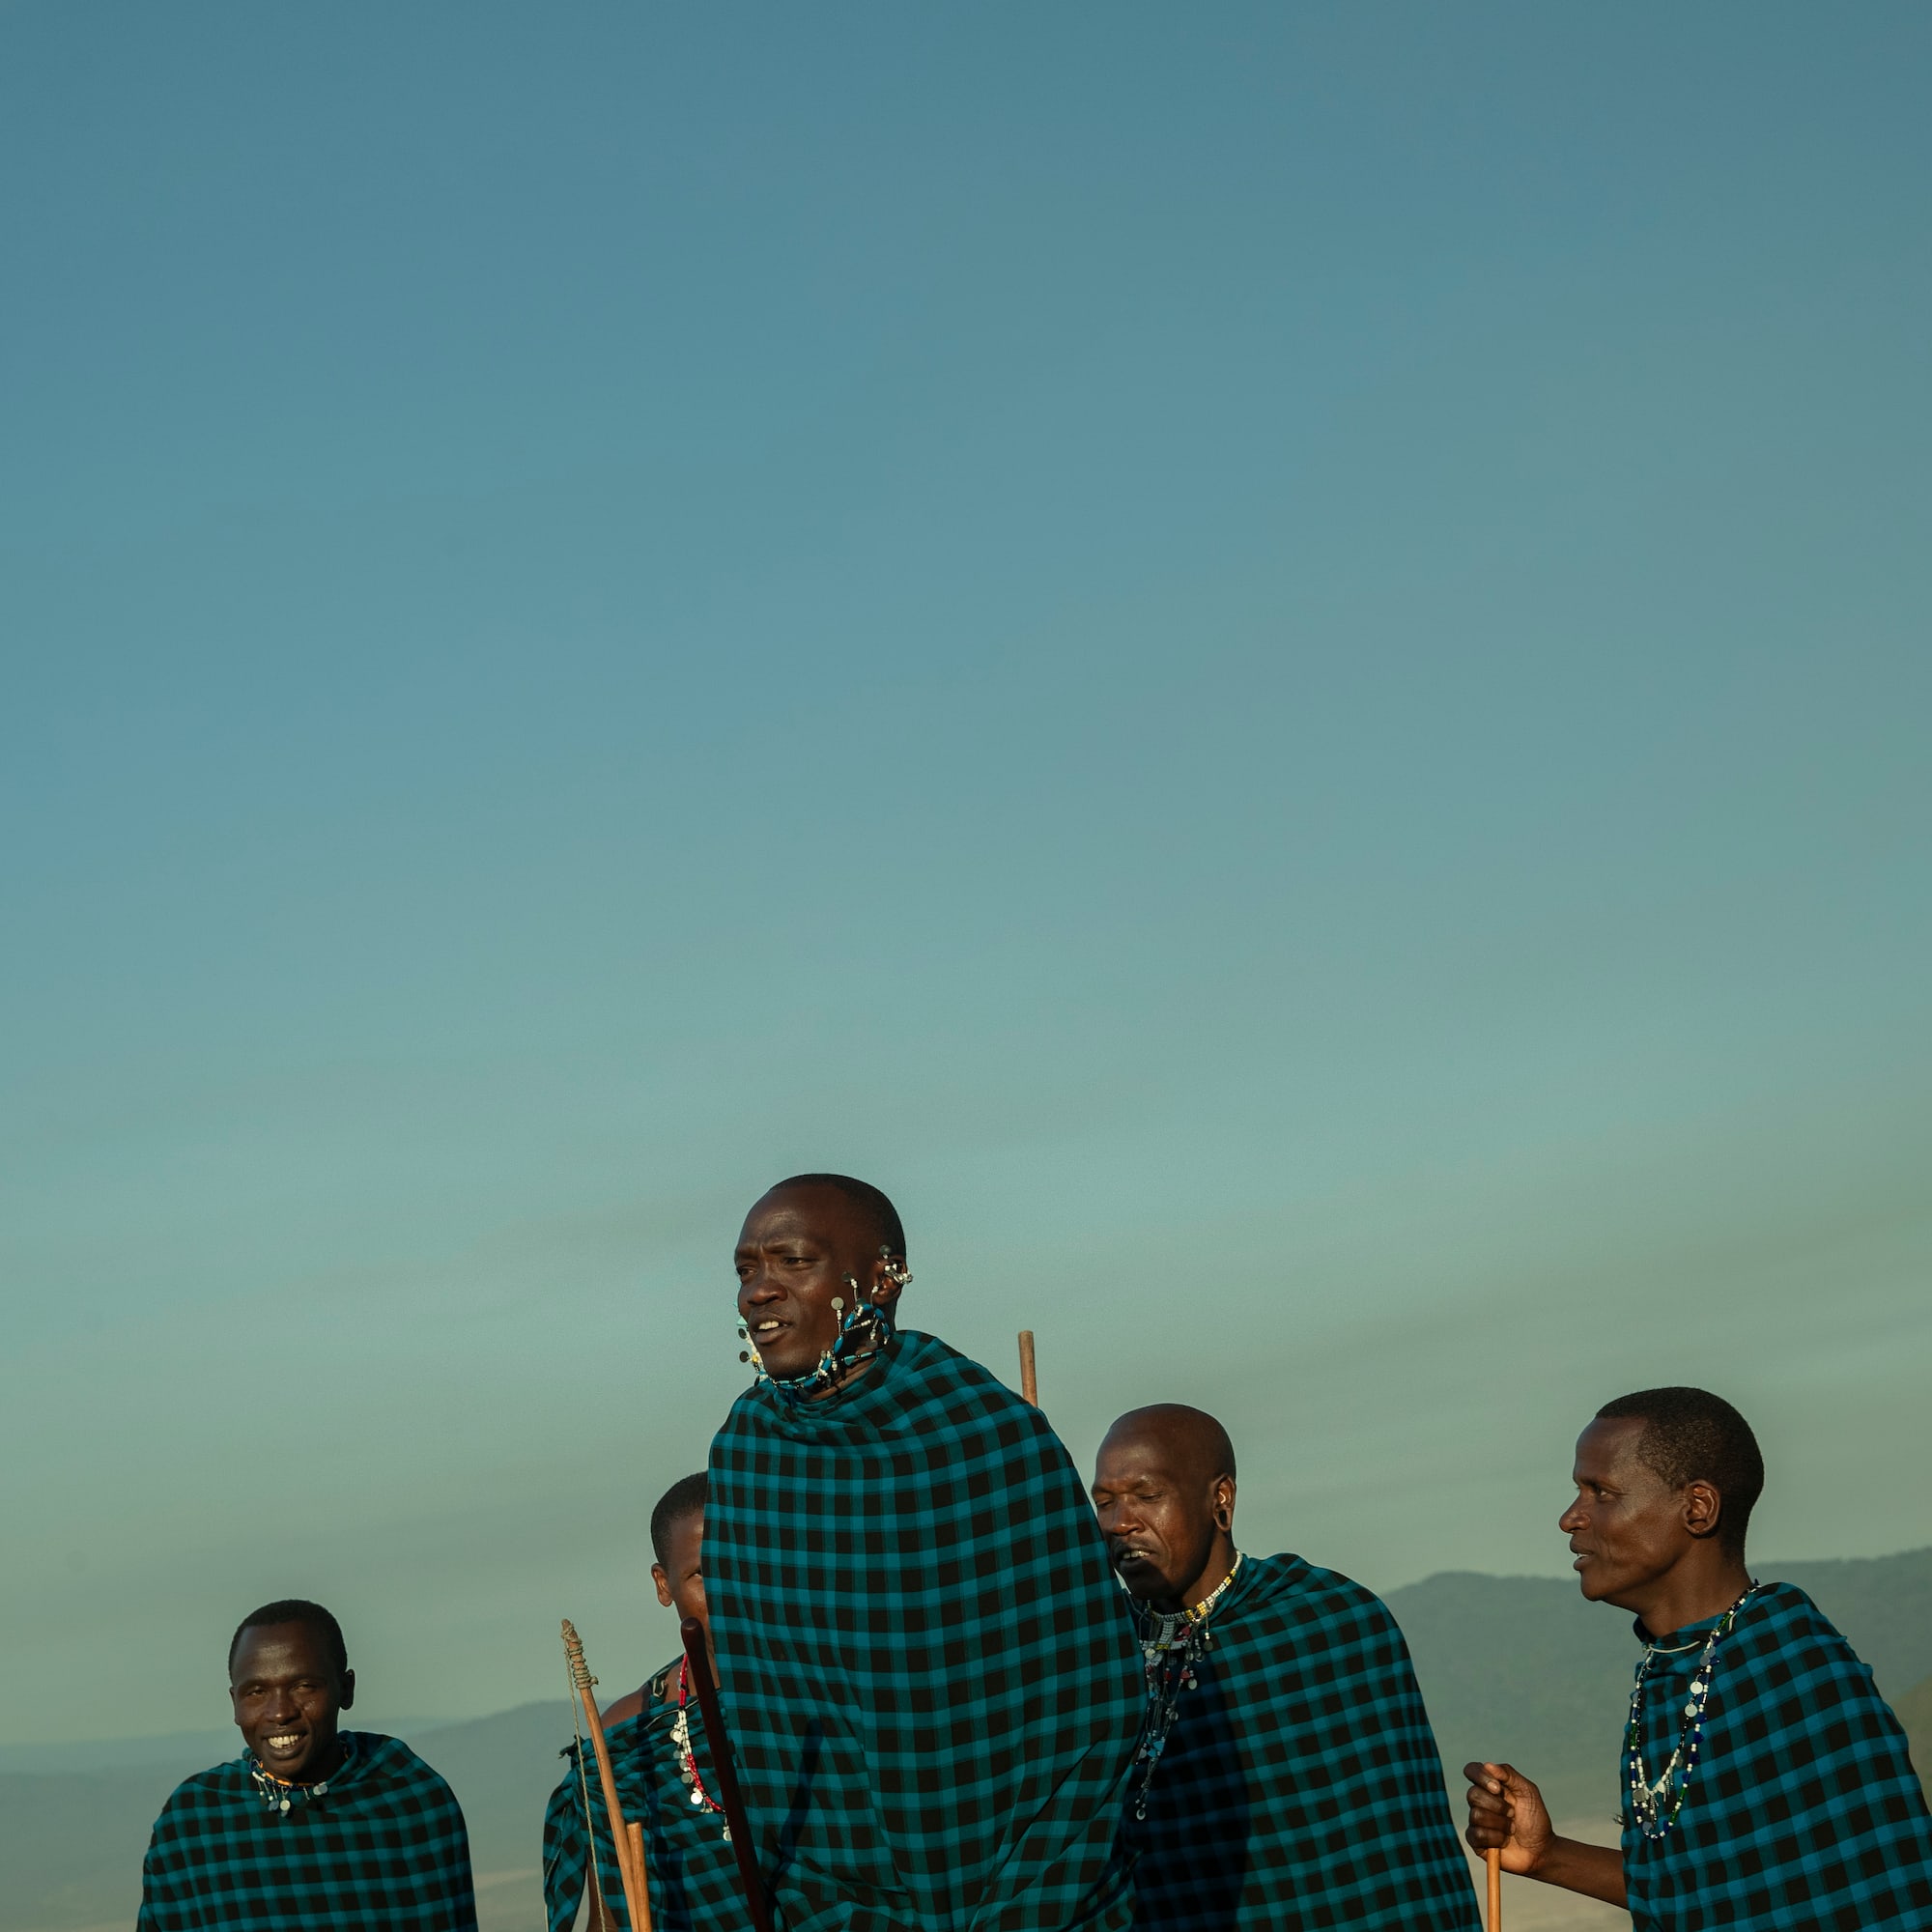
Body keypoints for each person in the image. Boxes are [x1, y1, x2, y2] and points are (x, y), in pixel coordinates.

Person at [706, 1173, 1144, 1932]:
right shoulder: (749, 1458)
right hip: (839, 1906)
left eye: (793, 1262)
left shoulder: (986, 1437)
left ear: (881, 1278)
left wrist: (1023, 1911)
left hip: (1033, 1893)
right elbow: (770, 1731)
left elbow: (1090, 1704)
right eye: (747, 1270)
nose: (758, 1292)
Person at [1464, 1385, 1932, 1929]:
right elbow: (1702, 1892)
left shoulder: (1783, 1667)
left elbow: (1879, 1890)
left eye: (1601, 1493)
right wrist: (1547, 1855)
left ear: (1697, 1508)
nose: (1571, 1518)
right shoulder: (1672, 1669)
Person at [1091, 1404, 1480, 1931]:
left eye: (1147, 1496)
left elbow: (1394, 1854)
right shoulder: (1097, 1649)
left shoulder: (1325, 1622)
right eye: (1105, 1503)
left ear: (1220, 1499)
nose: (1120, 1523)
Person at [138, 1598, 476, 1931]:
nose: (280, 1712)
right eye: (256, 1692)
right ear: (235, 1703)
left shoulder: (411, 1799)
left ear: (345, 1689)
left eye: (303, 1687)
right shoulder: (194, 1822)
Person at [543, 1472, 742, 1932]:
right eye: (701, 1574)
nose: (728, 1592)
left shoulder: (826, 1695)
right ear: (663, 1584)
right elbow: (611, 1917)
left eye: (741, 1563)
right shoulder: (629, 1739)